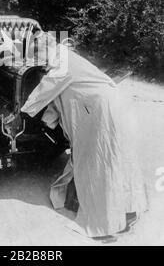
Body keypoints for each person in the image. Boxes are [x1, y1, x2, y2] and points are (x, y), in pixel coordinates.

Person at [21, 33, 149, 239]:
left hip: (100, 111)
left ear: (46, 48)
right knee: (114, 160)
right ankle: (127, 211)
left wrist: (23, 112)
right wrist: (46, 119)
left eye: (39, 55)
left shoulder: (61, 62)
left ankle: (107, 223)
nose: (41, 61)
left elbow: (44, 92)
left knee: (99, 164)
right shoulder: (66, 58)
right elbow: (59, 96)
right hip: (109, 105)